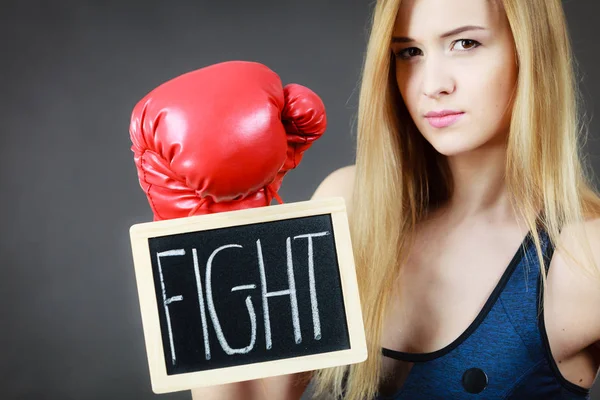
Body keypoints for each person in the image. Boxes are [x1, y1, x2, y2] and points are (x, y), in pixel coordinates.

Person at [190, 0, 600, 398]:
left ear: (531, 52)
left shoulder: (585, 256)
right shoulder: (348, 204)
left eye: (465, 44)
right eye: (410, 52)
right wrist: (212, 225)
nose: (432, 85)